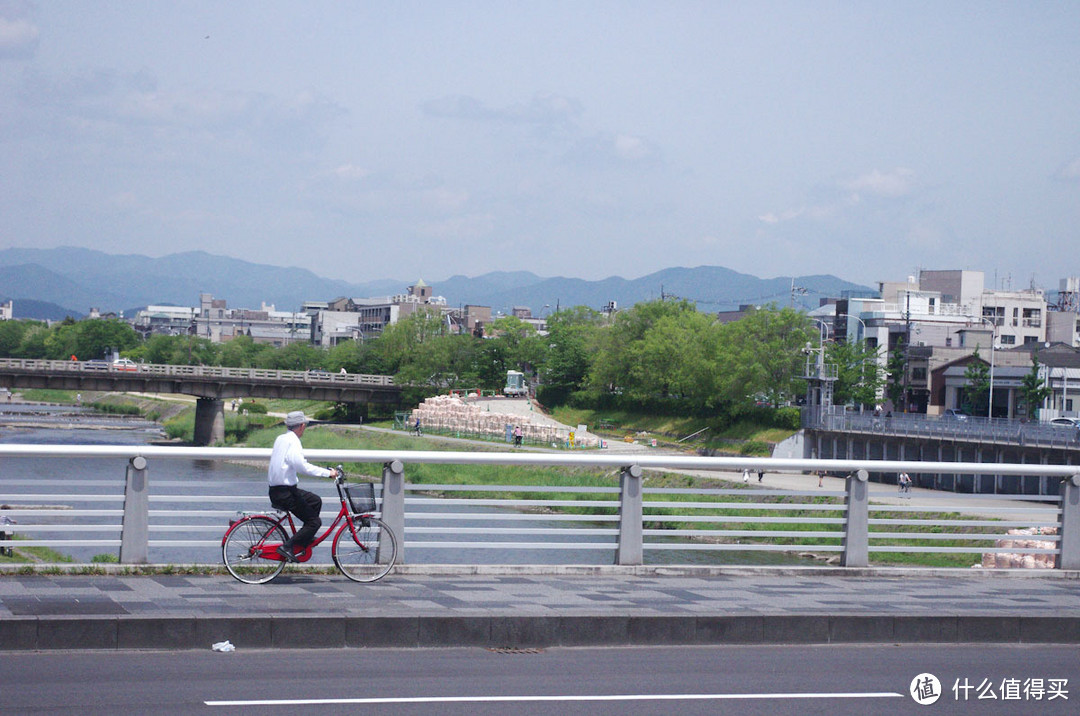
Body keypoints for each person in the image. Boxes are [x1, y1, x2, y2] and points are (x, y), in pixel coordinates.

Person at [267, 411, 339, 562]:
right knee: (315, 522)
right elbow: (302, 467)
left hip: (278, 490)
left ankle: (305, 539)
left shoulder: (281, 438)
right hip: (286, 493)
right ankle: (288, 546)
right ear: (301, 426)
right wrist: (328, 473)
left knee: (315, 500)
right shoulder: (293, 442)